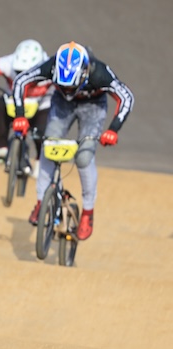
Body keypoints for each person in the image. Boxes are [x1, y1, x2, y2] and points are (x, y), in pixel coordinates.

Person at [12, 41, 134, 240]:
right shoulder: (50, 66)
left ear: (85, 73)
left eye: (72, 86)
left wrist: (113, 129)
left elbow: (126, 97)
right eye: (63, 85)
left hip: (93, 106)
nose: (68, 90)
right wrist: (19, 116)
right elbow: (21, 81)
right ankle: (42, 201)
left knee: (84, 157)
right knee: (48, 147)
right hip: (62, 105)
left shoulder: (100, 72)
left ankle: (88, 211)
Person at [0, 39, 52, 166]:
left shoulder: (50, 67)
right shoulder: (7, 63)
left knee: (42, 132)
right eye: (19, 72)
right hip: (14, 101)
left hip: (41, 105)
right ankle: (2, 146)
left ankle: (41, 161)